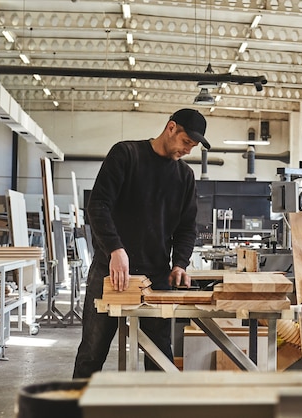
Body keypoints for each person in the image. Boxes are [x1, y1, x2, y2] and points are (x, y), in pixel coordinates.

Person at [73, 108, 210, 378]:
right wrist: (115, 248)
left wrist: (180, 263)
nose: (188, 151)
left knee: (160, 356)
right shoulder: (126, 155)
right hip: (110, 272)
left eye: (192, 147)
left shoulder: (184, 177)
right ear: (171, 128)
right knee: (92, 351)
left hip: (155, 276)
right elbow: (98, 206)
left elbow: (186, 227)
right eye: (186, 143)